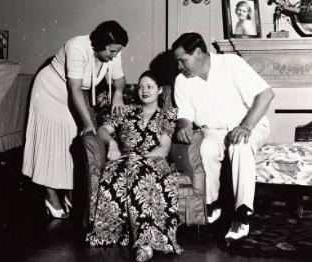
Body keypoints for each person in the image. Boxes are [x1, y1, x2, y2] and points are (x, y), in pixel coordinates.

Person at [172, 32, 274, 243]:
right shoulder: (182, 80)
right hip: (214, 131)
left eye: (183, 60)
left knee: (240, 146)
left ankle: (242, 215)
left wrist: (246, 126)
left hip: (249, 124)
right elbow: (184, 115)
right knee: (206, 148)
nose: (180, 67)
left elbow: (266, 94)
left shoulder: (231, 63)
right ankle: (213, 204)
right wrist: (183, 124)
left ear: (198, 53)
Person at [22, 20, 128, 219]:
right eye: (112, 51)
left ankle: (70, 193)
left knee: (72, 141)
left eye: (117, 52)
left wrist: (119, 93)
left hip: (72, 96)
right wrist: (88, 123)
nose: (114, 56)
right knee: (52, 143)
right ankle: (50, 195)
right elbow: (75, 89)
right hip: (49, 92)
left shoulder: (114, 51)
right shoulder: (77, 46)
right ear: (100, 43)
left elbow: (119, 79)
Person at [86, 71, 183, 261]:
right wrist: (112, 144)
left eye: (149, 87)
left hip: (153, 162)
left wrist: (138, 159)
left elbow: (163, 149)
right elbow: (102, 130)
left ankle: (145, 243)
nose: (144, 91)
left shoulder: (167, 115)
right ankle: (118, 236)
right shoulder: (127, 111)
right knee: (120, 172)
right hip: (124, 162)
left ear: (160, 90)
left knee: (138, 172)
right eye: (140, 87)